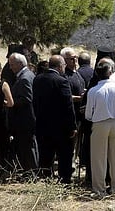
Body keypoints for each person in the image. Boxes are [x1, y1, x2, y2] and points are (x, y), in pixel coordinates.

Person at [32, 55, 77, 184]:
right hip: (60, 126)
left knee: (46, 154)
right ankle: (64, 181)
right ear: (59, 66)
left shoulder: (37, 79)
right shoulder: (62, 81)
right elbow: (68, 106)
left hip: (42, 124)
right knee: (64, 155)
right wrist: (72, 126)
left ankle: (46, 178)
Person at [85, 57, 115, 197]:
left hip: (100, 124)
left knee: (98, 158)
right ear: (110, 72)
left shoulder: (94, 91)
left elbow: (88, 114)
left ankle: (99, 190)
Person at [7, 52, 39, 174]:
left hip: (25, 119)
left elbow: (27, 99)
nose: (10, 67)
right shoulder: (28, 75)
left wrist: (10, 102)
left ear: (20, 64)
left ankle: (31, 173)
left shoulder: (25, 78)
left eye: (12, 65)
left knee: (28, 147)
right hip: (26, 119)